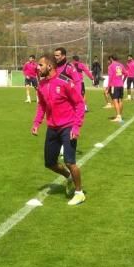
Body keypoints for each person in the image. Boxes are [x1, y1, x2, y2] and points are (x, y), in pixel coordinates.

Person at [31, 55, 86, 206]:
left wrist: (76, 126)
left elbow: (79, 104)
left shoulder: (65, 82)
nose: (38, 68)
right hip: (52, 128)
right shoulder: (41, 84)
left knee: (70, 161)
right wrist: (37, 122)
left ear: (49, 66)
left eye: (40, 65)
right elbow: (42, 105)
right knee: (49, 162)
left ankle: (79, 192)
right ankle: (68, 176)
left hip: (68, 126)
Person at [106, 55, 126, 122]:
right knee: (120, 100)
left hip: (114, 85)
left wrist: (108, 88)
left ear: (111, 59)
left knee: (115, 100)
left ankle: (118, 116)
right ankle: (119, 115)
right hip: (121, 85)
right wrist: (123, 81)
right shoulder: (121, 65)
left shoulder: (111, 66)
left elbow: (110, 78)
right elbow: (126, 73)